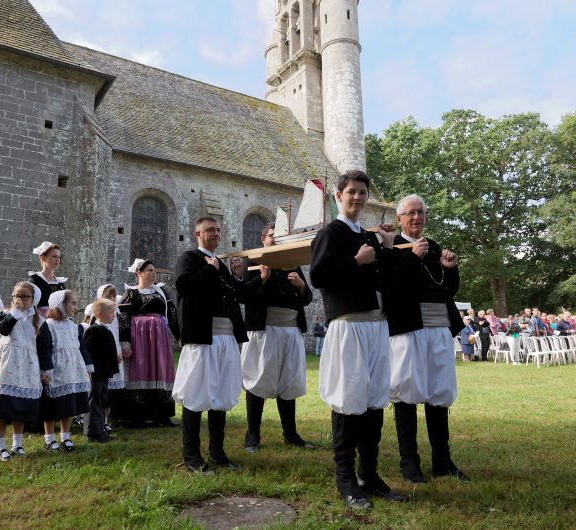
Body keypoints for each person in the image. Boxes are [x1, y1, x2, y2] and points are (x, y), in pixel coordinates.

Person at [309, 170, 406, 510]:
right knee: (349, 400)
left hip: (376, 326)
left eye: (363, 192)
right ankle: (346, 479)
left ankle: (369, 474)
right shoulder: (331, 233)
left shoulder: (367, 234)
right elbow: (319, 276)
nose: (358, 197)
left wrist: (388, 248)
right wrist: (355, 260)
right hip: (349, 327)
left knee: (374, 401)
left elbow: (388, 281)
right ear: (339, 196)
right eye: (351, 191)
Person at [388, 193, 469, 484]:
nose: (416, 218)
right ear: (399, 219)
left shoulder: (433, 247)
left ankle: (442, 460)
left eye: (420, 212)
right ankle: (409, 463)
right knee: (407, 394)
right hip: (409, 328)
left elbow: (447, 290)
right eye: (410, 213)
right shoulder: (393, 247)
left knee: (438, 393)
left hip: (438, 328)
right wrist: (412, 257)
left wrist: (451, 269)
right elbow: (392, 287)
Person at [172, 216, 246, 473]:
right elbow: (183, 286)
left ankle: (217, 452)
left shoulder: (220, 264)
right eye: (210, 230)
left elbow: (236, 297)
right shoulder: (190, 258)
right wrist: (211, 269)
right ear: (197, 233)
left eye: (218, 230)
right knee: (195, 395)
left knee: (221, 393)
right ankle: (191, 456)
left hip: (226, 337)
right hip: (203, 338)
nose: (216, 234)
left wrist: (236, 277)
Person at [240, 223, 314, 452]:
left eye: (279, 237)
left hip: (291, 330)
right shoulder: (252, 260)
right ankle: (252, 436)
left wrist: (302, 286)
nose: (276, 240)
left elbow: (308, 298)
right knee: (258, 381)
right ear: (263, 239)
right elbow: (242, 294)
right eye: (272, 236)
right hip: (265, 330)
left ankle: (290, 434)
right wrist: (261, 279)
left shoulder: (293, 263)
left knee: (288, 382)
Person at [0, 281, 53, 460]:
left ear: (33, 299)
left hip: (27, 366)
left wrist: (47, 370)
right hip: (6, 365)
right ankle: (0, 445)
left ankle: (18, 444)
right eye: (17, 296)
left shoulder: (39, 321)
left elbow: (44, 347)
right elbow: (2, 330)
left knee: (19, 406)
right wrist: (15, 313)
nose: (21, 299)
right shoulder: (6, 315)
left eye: (25, 296)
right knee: (2, 405)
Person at [117, 259, 180, 426]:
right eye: (150, 270)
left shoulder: (162, 292)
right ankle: (139, 417)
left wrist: (180, 337)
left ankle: (163, 416)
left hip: (159, 339)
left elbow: (172, 315)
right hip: (140, 339)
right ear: (139, 273)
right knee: (141, 370)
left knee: (161, 370)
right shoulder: (130, 294)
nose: (154, 273)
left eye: (154, 270)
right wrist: (125, 343)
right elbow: (123, 320)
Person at [41, 290, 92, 452]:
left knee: (68, 404)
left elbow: (81, 348)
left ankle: (65, 436)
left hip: (73, 369)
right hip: (56, 369)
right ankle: (49, 438)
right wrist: (46, 370)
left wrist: (88, 366)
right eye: (73, 303)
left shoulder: (74, 326)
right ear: (60, 305)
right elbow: (45, 349)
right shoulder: (47, 325)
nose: (76, 307)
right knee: (52, 405)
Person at [82, 298, 120, 443]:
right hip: (95, 373)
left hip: (103, 372)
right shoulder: (93, 330)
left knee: (101, 400)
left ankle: (99, 430)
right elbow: (88, 351)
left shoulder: (105, 329)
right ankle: (92, 433)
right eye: (111, 312)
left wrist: (114, 357)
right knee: (94, 401)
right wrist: (89, 368)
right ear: (99, 314)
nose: (113, 315)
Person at [92, 284, 125, 433]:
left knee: (109, 393)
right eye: (108, 296)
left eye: (113, 296)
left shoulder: (115, 315)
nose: (111, 299)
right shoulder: (97, 319)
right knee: (100, 392)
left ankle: (106, 420)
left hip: (115, 351)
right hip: (103, 358)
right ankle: (99, 422)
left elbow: (117, 335)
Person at [27, 241, 66, 317]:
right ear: (43, 258)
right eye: (54, 256)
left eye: (59, 257)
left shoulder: (60, 283)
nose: (57, 260)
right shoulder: (34, 280)